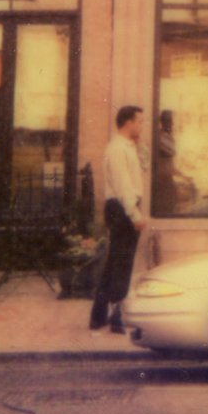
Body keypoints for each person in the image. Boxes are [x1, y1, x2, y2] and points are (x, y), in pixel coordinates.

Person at [89, 104, 146, 333]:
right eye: (140, 121)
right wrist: (135, 214)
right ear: (128, 122)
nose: (142, 125)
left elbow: (138, 172)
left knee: (115, 260)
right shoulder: (117, 149)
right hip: (122, 208)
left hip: (122, 206)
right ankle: (116, 317)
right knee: (123, 262)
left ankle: (99, 315)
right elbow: (124, 186)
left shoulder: (127, 147)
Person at [151, 110, 178, 217]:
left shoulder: (166, 136)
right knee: (165, 211)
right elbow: (172, 150)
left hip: (167, 180)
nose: (172, 124)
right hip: (162, 181)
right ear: (163, 122)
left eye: (171, 121)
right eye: (169, 121)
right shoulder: (160, 137)